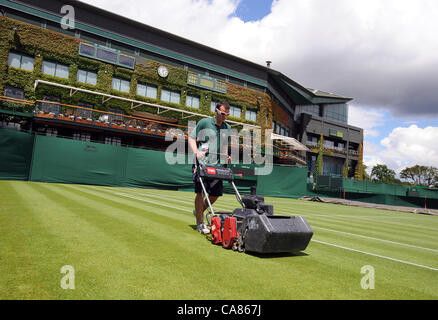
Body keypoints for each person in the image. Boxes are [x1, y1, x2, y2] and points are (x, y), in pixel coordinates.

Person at [188, 101, 231, 234]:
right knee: (200, 193)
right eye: (223, 113)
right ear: (216, 111)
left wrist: (226, 157)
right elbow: (191, 137)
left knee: (215, 194)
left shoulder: (227, 128)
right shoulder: (204, 123)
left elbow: (224, 146)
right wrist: (196, 153)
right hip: (202, 164)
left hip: (217, 166)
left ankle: (199, 212)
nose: (225, 117)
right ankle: (200, 223)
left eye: (227, 115)